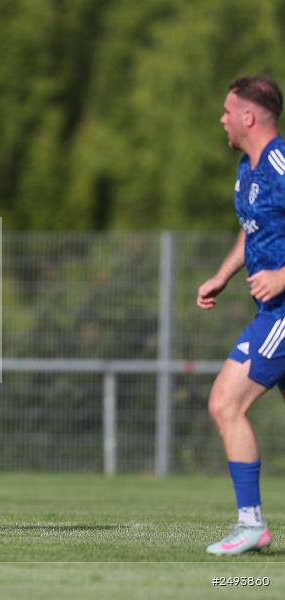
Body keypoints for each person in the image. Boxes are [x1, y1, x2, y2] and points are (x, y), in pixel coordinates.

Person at [198, 75, 285, 556]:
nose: (222, 119)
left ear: (249, 117)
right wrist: (223, 275)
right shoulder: (247, 169)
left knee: (225, 402)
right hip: (269, 307)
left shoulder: (280, 163)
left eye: (228, 111)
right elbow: (252, 232)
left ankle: (251, 524)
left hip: (283, 313)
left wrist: (282, 276)